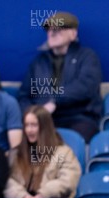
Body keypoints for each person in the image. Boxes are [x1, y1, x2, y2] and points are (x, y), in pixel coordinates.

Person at [17, 11, 103, 143]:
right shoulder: (39, 62)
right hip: (43, 119)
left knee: (74, 141)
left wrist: (54, 101)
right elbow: (24, 95)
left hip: (78, 118)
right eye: (49, 30)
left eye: (58, 29)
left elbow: (85, 88)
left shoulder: (87, 57)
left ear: (73, 34)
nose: (52, 32)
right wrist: (30, 114)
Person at [5, 105, 81, 198]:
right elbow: (6, 180)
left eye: (34, 125)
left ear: (45, 127)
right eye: (26, 125)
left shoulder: (64, 153)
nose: (29, 130)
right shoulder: (16, 154)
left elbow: (68, 180)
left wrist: (43, 194)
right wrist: (23, 196)